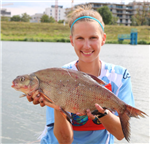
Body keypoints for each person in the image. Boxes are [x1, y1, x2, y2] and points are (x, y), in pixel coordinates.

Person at [27, 6, 135, 144]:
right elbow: (64, 140)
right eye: (80, 38)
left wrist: (101, 113)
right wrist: (57, 105)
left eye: (93, 38)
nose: (87, 45)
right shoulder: (58, 77)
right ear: (71, 41)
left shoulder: (120, 76)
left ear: (103, 39)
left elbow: (120, 134)